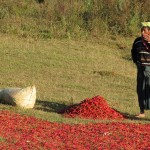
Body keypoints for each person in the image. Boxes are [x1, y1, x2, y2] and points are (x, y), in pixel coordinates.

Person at [131, 22, 150, 118]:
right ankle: (142, 112)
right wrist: (136, 62)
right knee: (140, 89)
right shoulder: (137, 41)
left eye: (145, 31)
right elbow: (133, 52)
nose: (143, 33)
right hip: (141, 68)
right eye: (142, 30)